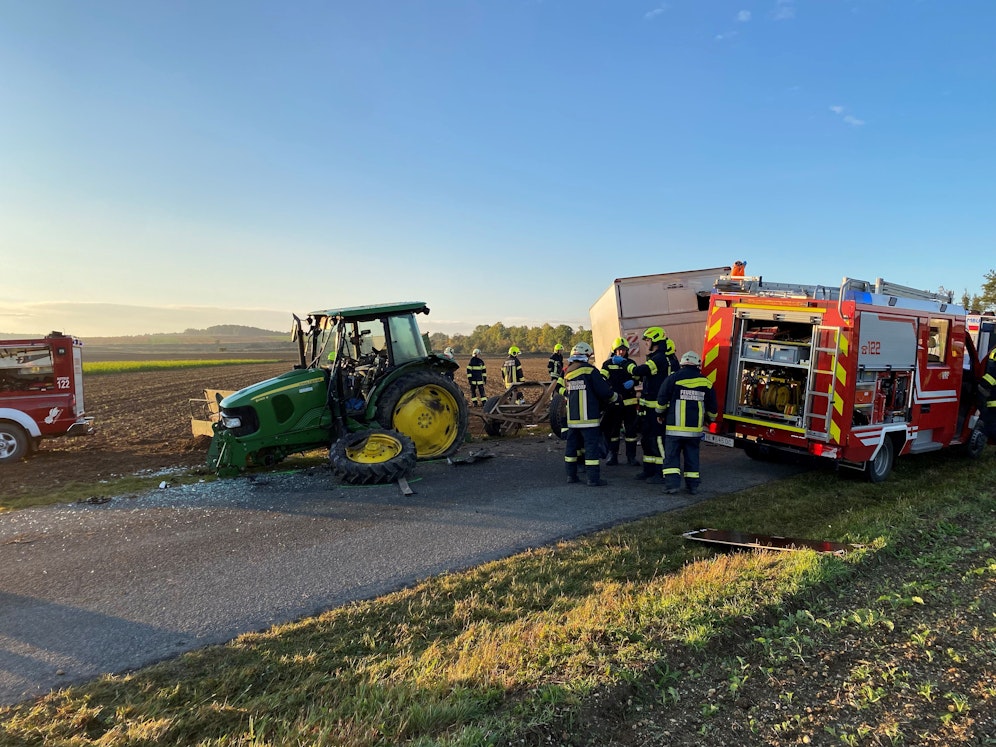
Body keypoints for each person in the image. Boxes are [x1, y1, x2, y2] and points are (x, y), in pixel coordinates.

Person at [655, 350, 718, 495]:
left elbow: (662, 398)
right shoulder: (706, 382)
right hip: (694, 431)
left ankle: (672, 486)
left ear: (682, 364)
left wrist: (660, 414)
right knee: (692, 457)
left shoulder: (673, 378)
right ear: (697, 365)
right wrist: (710, 419)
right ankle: (692, 486)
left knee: (671, 457)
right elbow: (712, 407)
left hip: (674, 429)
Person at [560, 342, 618, 487]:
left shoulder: (568, 372)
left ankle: (571, 476)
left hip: (572, 419)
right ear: (586, 355)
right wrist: (615, 397)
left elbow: (563, 391)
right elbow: (604, 391)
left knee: (571, 448)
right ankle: (593, 479)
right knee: (591, 448)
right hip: (589, 419)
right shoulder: (590, 371)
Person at [631, 327, 679, 483]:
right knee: (647, 440)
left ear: (655, 340)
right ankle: (648, 470)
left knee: (658, 441)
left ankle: (661, 473)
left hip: (657, 410)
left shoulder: (659, 359)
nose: (646, 343)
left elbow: (640, 370)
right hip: (648, 409)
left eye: (648, 340)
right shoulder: (657, 357)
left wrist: (627, 365)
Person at [599, 337, 640, 466]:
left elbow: (638, 377)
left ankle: (631, 457)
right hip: (614, 403)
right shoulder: (607, 364)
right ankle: (613, 456)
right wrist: (609, 389)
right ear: (614, 350)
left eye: (623, 350)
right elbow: (601, 379)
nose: (621, 352)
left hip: (629, 402)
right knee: (613, 431)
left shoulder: (630, 363)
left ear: (626, 350)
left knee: (631, 432)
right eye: (618, 350)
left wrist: (633, 381)